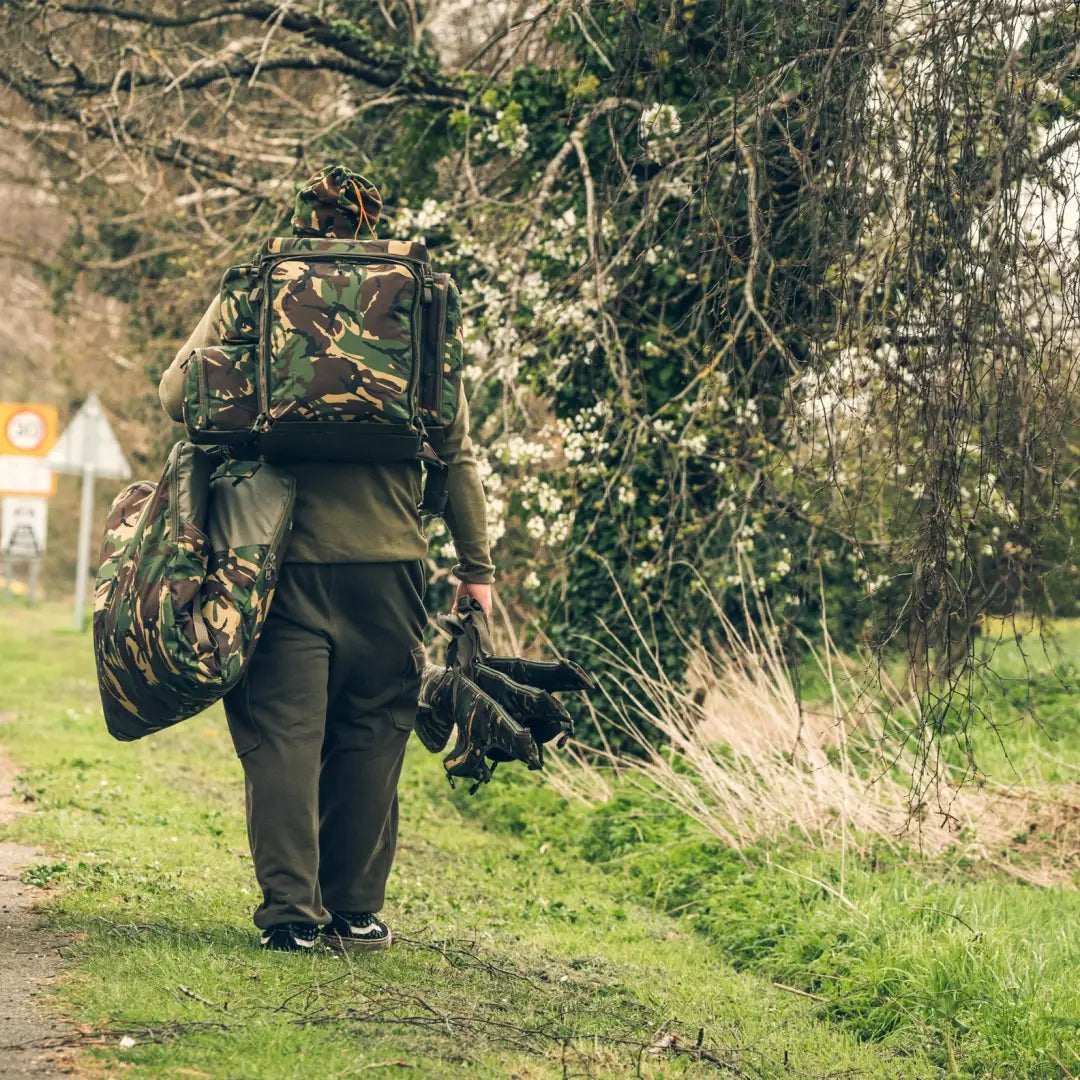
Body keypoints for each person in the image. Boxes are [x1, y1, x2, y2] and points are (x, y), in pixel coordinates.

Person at [157, 165, 494, 952]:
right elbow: (454, 448)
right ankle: (355, 910)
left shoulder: (258, 283)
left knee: (283, 733)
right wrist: (475, 567)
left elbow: (178, 397)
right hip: (391, 561)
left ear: (302, 217)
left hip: (277, 558)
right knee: (374, 728)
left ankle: (291, 920)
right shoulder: (417, 292)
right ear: (373, 219)